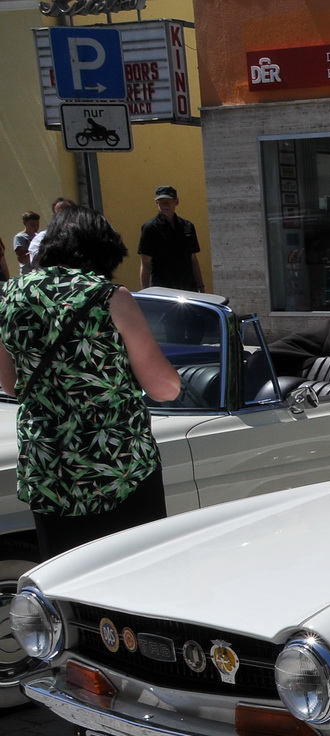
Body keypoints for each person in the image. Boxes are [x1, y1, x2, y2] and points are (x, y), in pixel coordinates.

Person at [0, 206, 181, 559]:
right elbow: (164, 388)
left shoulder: (9, 296)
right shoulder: (110, 297)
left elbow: (10, 385)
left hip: (48, 468)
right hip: (117, 467)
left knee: (68, 580)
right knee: (136, 577)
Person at [138, 185, 204, 293]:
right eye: (161, 201)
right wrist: (145, 294)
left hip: (188, 287)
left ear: (176, 202)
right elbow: (145, 264)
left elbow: (193, 260)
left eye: (169, 201)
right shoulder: (150, 228)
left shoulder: (187, 226)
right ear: (157, 203)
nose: (165, 205)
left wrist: (201, 287)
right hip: (163, 289)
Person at [27, 198, 75, 268]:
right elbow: (37, 262)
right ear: (54, 217)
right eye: (60, 213)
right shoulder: (41, 238)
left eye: (69, 212)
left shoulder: (84, 235)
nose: (65, 216)